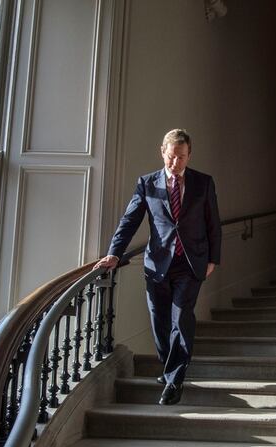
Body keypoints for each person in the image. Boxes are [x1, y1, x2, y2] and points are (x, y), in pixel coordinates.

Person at [94, 129, 221, 405]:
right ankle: (169, 365)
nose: (177, 163)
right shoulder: (147, 184)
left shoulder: (203, 183)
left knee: (181, 317)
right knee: (159, 319)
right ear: (163, 151)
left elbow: (213, 224)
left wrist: (213, 259)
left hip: (190, 264)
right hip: (158, 264)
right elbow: (129, 221)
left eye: (183, 157)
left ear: (189, 155)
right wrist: (114, 254)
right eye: (172, 157)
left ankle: (175, 380)